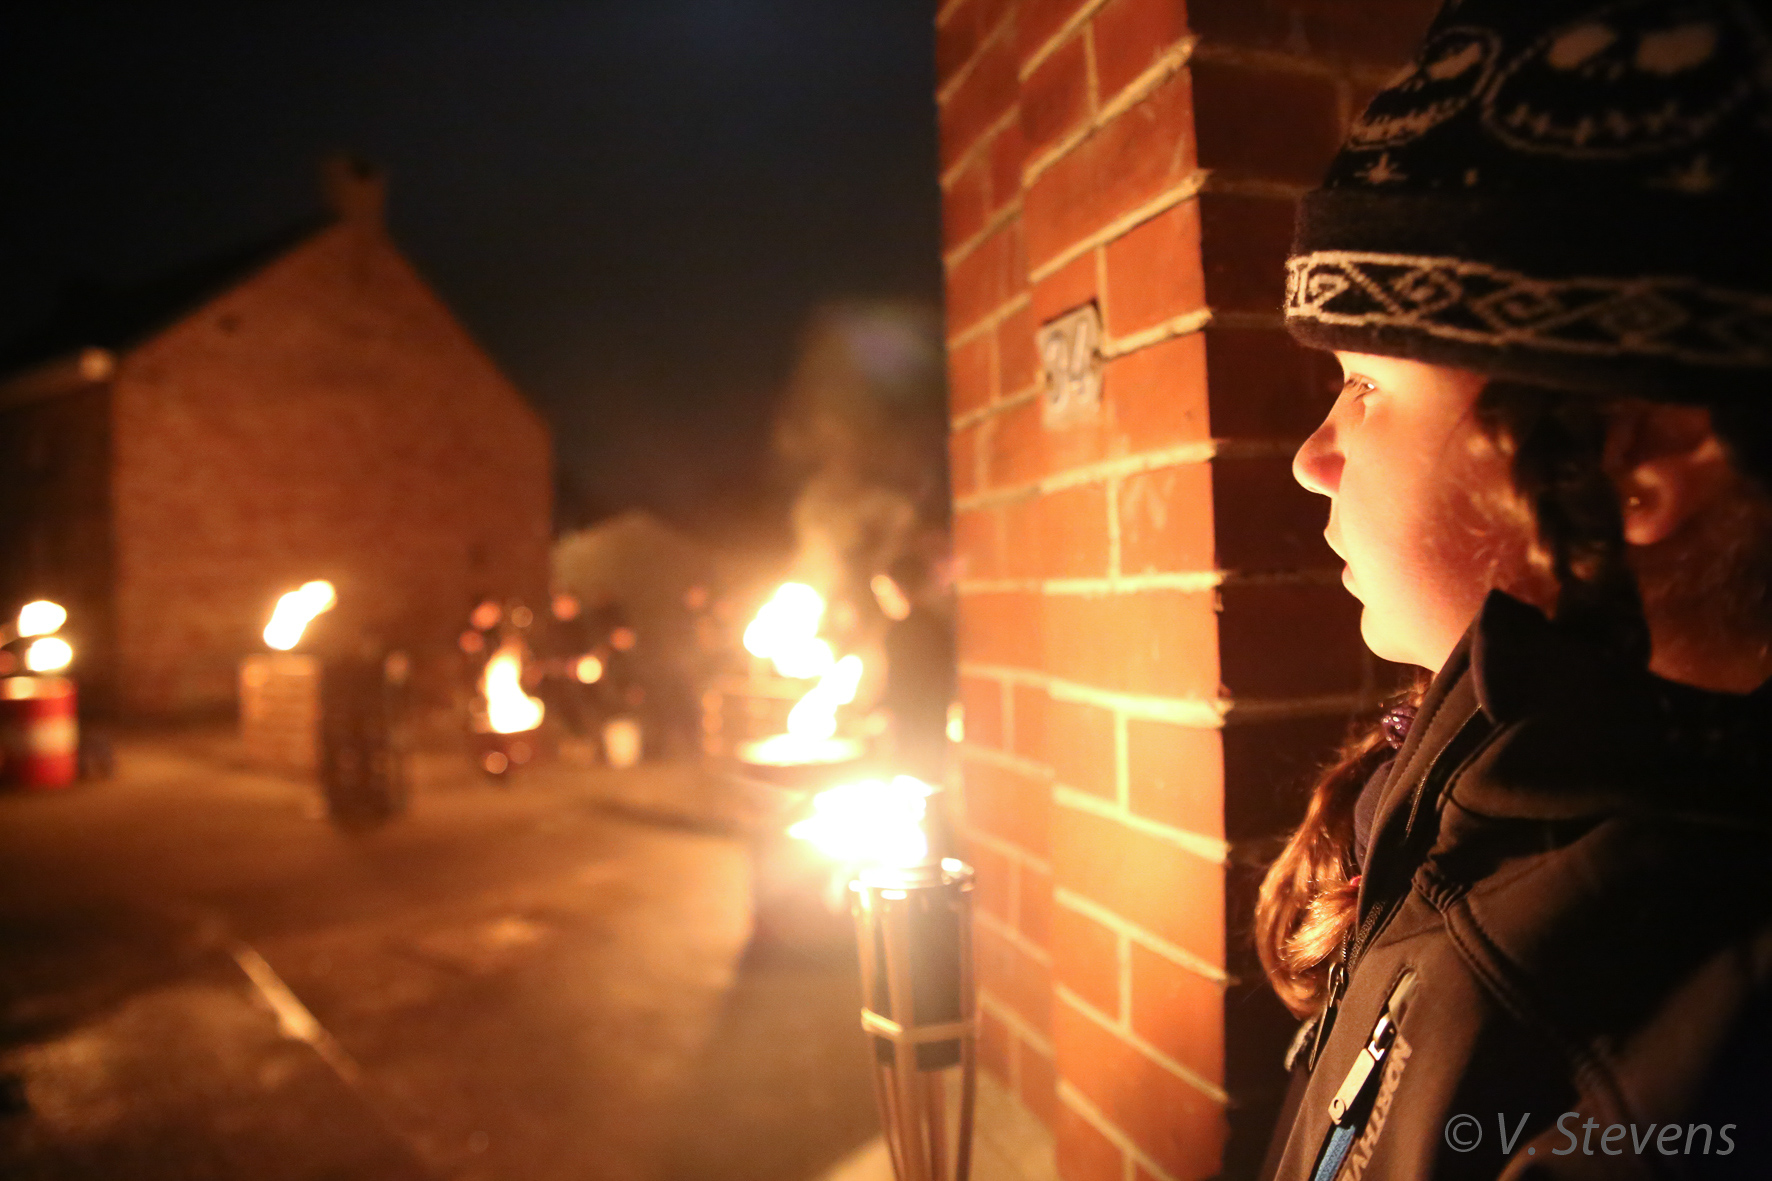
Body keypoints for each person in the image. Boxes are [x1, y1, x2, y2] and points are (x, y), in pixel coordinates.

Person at [1253, 2, 1772, 1178]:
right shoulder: (1464, 774)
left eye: (1365, 383)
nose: (1311, 456)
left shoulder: (1694, 1018)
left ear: (1635, 453)